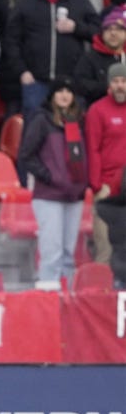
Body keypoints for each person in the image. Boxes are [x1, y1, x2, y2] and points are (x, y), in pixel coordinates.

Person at [4, 0, 100, 114]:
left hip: (71, 83)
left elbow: (98, 33)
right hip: (35, 82)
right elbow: (11, 41)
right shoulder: (26, 3)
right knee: (35, 133)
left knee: (72, 133)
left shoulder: (80, 1)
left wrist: (76, 27)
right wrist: (22, 71)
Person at [19, 78, 89, 284]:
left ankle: (66, 300)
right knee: (52, 253)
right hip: (49, 196)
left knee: (69, 254)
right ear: (52, 96)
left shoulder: (79, 122)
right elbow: (26, 155)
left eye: (69, 91)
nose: (65, 95)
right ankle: (48, 298)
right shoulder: (41, 120)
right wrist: (49, 176)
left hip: (74, 196)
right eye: (60, 91)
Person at [86, 63, 126, 268]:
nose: (120, 86)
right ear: (109, 84)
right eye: (116, 81)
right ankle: (102, 296)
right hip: (108, 188)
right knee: (105, 248)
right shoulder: (97, 110)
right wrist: (97, 185)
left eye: (123, 81)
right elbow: (92, 149)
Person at [73, 7, 126, 108]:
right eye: (108, 29)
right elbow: (80, 84)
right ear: (102, 33)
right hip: (98, 110)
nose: (113, 33)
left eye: (119, 29)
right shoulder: (90, 57)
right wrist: (109, 88)